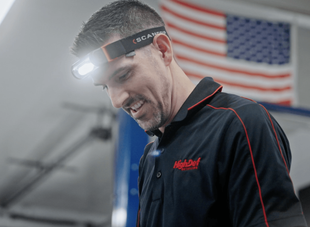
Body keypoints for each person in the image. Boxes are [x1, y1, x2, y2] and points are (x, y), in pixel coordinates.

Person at [70, 0, 307, 226]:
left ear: (162, 50)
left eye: (123, 76)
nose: (115, 100)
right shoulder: (149, 158)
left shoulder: (239, 123)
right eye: (105, 87)